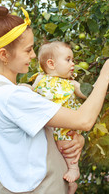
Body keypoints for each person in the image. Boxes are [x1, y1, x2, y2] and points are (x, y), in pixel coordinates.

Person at [0, 5, 109, 194]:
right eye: (28, 50)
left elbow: (39, 140)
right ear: (4, 54)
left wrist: (76, 142)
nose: (34, 55)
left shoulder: (10, 92)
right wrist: (104, 77)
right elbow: (84, 120)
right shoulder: (12, 97)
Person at [31, 41, 87, 194]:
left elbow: (87, 93)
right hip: (49, 126)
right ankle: (70, 184)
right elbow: (32, 93)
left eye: (72, 60)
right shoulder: (39, 79)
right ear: (51, 64)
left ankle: (74, 169)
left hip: (65, 127)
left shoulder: (72, 84)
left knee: (67, 146)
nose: (73, 64)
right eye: (68, 60)